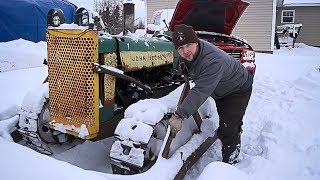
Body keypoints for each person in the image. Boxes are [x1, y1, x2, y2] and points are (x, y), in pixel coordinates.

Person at [168, 24, 253, 164]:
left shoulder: (213, 61)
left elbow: (200, 90)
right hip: (221, 89)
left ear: (196, 42)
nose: (186, 51)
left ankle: (230, 161)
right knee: (228, 120)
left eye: (188, 45)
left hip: (238, 89)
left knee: (228, 128)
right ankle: (234, 126)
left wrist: (180, 115)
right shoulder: (193, 51)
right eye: (181, 48)